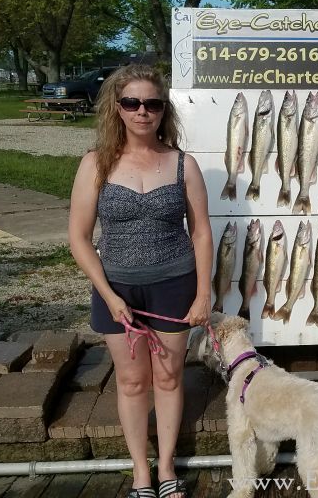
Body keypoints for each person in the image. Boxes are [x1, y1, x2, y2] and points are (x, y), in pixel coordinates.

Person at [69, 64, 213, 498]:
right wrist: (109, 295)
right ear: (117, 108)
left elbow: (201, 231)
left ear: (163, 109)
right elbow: (78, 237)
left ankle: (166, 468)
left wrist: (203, 292)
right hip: (118, 291)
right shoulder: (96, 163)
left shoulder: (182, 164)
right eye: (132, 102)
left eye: (152, 103)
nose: (142, 111)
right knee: (132, 382)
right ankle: (141, 474)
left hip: (173, 284)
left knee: (168, 378)